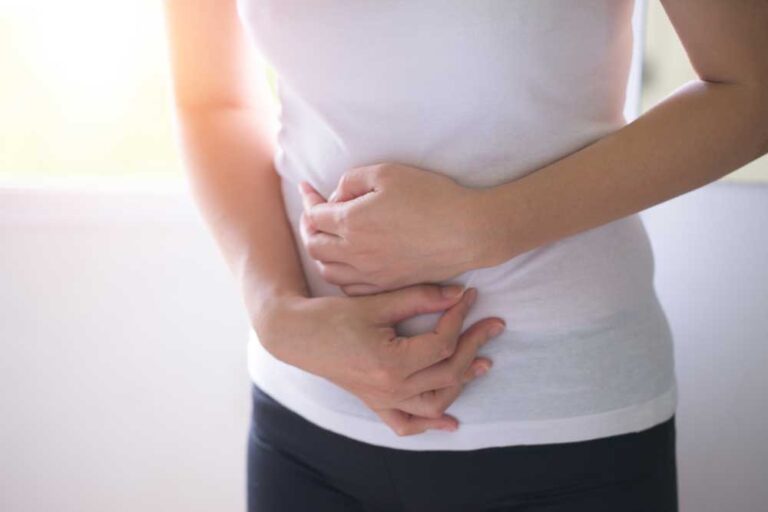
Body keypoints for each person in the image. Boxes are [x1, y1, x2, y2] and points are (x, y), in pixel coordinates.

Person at [162, 1, 768, 510]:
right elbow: (212, 99)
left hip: (569, 443)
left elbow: (751, 90)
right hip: (305, 430)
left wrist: (487, 228)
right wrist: (275, 313)